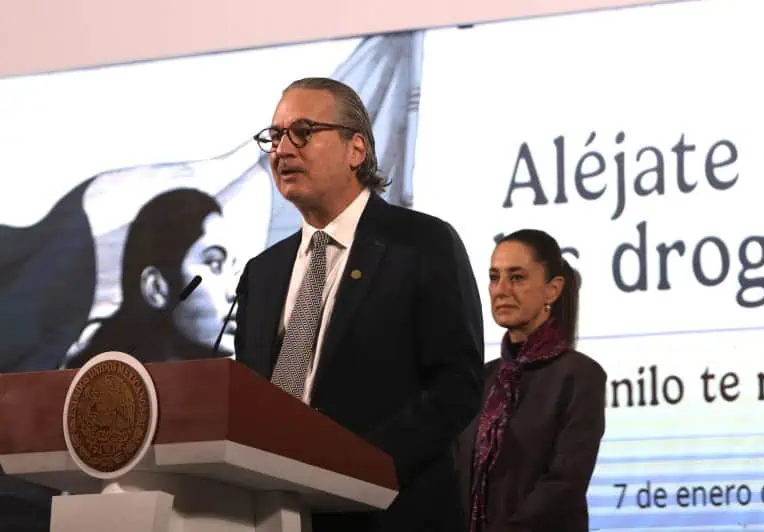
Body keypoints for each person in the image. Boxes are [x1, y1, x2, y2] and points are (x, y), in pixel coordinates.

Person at [234, 77, 484, 532]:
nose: (283, 150)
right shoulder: (262, 272)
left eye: (303, 132)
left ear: (357, 150)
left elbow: (457, 386)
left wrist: (357, 468)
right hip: (276, 515)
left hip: (389, 513)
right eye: (275, 136)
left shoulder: (422, 245)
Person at [455, 229, 607, 532]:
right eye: (494, 277)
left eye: (517, 277)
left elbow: (564, 483)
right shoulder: (483, 379)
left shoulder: (579, 376)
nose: (501, 290)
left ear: (552, 290)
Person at [65, 187, 238, 368]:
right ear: (156, 287)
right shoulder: (102, 384)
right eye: (215, 264)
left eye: (234, 269)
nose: (235, 291)